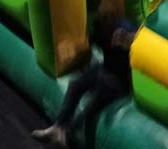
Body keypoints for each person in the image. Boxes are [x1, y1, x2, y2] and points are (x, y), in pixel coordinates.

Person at [32, 12, 136, 146]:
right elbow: (88, 46)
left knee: (93, 106)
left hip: (120, 80)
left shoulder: (124, 26)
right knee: (76, 85)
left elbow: (141, 39)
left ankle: (68, 132)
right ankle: (59, 127)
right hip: (106, 68)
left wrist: (129, 39)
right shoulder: (97, 28)